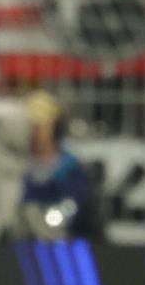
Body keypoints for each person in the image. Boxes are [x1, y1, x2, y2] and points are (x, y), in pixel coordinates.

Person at [19, 90, 99, 239]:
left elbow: (76, 205)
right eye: (31, 126)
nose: (35, 133)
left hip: (60, 240)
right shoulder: (17, 166)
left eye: (41, 126)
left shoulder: (70, 168)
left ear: (54, 125)